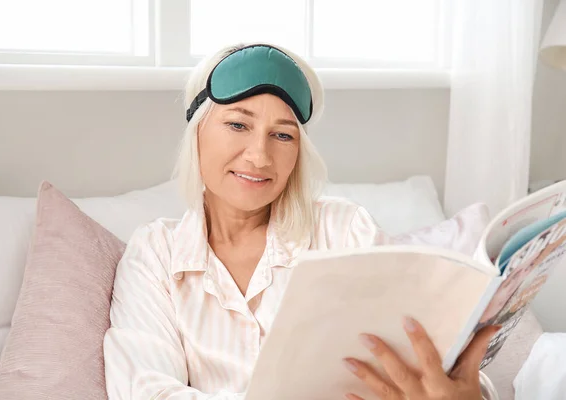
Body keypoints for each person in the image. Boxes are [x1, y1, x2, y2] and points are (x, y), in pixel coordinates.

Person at [103, 42, 499, 400]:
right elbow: (145, 391)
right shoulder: (156, 254)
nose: (259, 156)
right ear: (197, 132)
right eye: (238, 125)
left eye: (282, 135)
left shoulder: (344, 231)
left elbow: (426, 355)